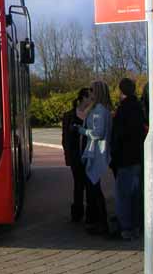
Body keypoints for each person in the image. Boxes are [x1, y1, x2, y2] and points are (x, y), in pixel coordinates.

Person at [110, 78, 145, 240]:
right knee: (136, 195)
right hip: (137, 156)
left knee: (123, 195)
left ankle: (126, 229)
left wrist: (114, 156)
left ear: (121, 90)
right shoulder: (139, 107)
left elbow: (119, 135)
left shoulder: (123, 109)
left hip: (125, 158)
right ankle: (137, 226)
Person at [77, 80, 113, 235]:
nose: (89, 92)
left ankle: (101, 223)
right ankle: (99, 222)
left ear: (96, 92)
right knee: (94, 188)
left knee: (94, 189)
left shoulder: (99, 110)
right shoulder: (102, 109)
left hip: (96, 153)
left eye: (91, 89)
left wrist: (81, 130)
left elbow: (97, 133)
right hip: (96, 153)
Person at [61, 87, 93, 223]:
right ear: (83, 98)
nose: (92, 100)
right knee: (78, 184)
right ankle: (78, 213)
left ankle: (92, 214)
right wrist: (68, 157)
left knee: (91, 184)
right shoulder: (69, 115)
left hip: (90, 155)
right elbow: (65, 139)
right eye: (90, 98)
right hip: (76, 156)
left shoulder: (93, 114)